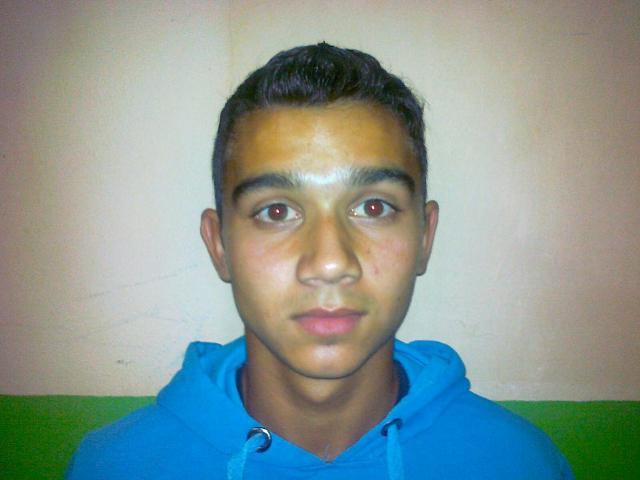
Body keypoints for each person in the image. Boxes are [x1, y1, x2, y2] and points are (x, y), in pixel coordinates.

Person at [66, 43, 574, 479]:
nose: (330, 263)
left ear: (425, 236)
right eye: (277, 211)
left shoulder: (520, 463)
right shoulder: (113, 466)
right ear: (219, 245)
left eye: (373, 207)